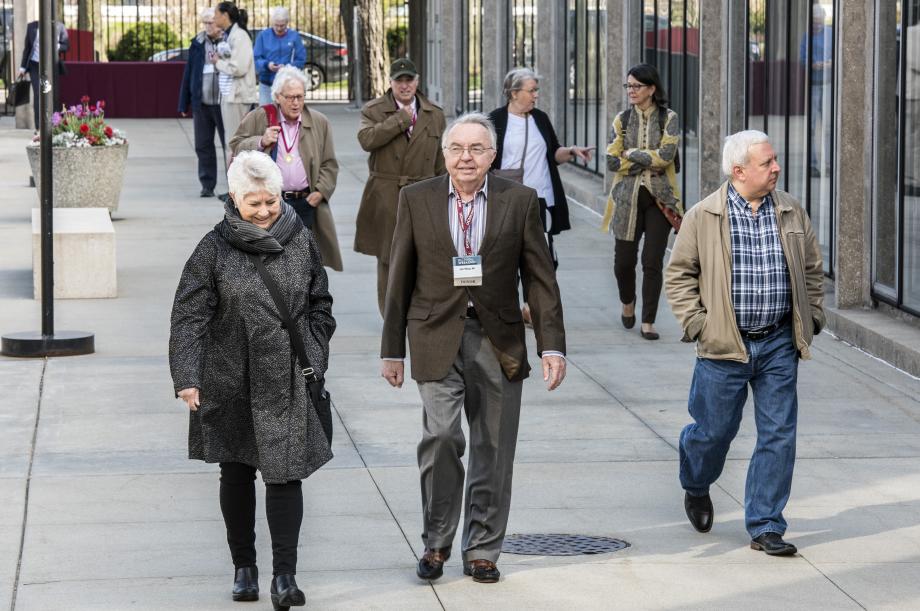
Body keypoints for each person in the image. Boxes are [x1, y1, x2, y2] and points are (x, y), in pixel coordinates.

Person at [380, 113, 567, 584]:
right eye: (457, 148)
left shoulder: (520, 200)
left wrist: (551, 346)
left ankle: (483, 547)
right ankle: (436, 541)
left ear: (493, 155)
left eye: (477, 149)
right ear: (444, 154)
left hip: (498, 339)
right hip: (434, 335)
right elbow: (398, 275)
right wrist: (392, 349)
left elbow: (540, 279)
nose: (466, 157)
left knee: (493, 447)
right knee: (441, 437)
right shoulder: (416, 198)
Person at [169, 150, 335, 607]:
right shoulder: (213, 247)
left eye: (271, 202)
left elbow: (320, 303)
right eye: (253, 204)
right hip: (228, 376)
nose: (264, 212)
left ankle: (285, 577)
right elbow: (189, 316)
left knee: (285, 476)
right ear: (235, 200)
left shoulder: (300, 239)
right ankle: (244, 567)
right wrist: (187, 376)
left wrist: (315, 353)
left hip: (285, 376)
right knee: (237, 472)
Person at [665, 130, 825, 556]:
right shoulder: (704, 216)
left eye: (774, 161)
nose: (776, 168)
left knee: (779, 434)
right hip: (722, 347)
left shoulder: (790, 210)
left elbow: (811, 269)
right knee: (713, 433)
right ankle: (697, 482)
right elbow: (678, 274)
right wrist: (700, 324)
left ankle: (766, 524)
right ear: (738, 171)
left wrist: (813, 316)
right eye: (767, 162)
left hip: (777, 344)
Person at [488, 67, 593, 323]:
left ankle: (531, 306)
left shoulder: (540, 118)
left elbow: (553, 152)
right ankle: (507, 307)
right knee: (506, 255)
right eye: (531, 90)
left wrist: (570, 152)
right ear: (514, 93)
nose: (536, 95)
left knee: (542, 257)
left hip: (541, 197)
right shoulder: (495, 120)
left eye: (536, 90)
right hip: (507, 198)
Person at [355, 58, 447, 315]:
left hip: (424, 192)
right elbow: (366, 139)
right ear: (391, 83)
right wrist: (399, 120)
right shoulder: (374, 110)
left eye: (409, 80)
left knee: (425, 256)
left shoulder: (434, 113)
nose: (405, 86)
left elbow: (441, 159)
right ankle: (391, 316)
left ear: (417, 82)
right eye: (400, 81)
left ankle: (420, 311)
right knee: (388, 259)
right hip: (386, 195)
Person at [230, 66, 343, 272]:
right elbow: (236, 145)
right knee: (270, 262)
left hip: (305, 203)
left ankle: (300, 304)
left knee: (303, 264)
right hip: (271, 204)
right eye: (290, 97)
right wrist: (261, 141)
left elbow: (329, 163)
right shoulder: (261, 117)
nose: (296, 102)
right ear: (277, 97)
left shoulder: (319, 122)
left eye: (300, 96)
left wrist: (320, 192)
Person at [603, 63, 682, 340]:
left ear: (652, 89)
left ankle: (648, 321)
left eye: (637, 86)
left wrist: (631, 153)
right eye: (629, 86)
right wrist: (646, 158)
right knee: (623, 263)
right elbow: (612, 161)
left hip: (661, 200)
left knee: (652, 261)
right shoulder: (621, 120)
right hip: (627, 199)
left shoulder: (668, 118)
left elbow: (667, 156)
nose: (631, 91)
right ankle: (628, 302)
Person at [178, 8, 226, 198]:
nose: (207, 26)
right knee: (203, 144)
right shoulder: (197, 43)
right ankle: (207, 184)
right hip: (202, 103)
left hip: (223, 102)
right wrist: (184, 102)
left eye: (211, 22)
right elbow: (189, 73)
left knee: (229, 145)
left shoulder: (228, 41)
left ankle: (234, 185)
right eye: (205, 23)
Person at [212, 1, 258, 159]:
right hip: (230, 95)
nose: (214, 18)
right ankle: (235, 179)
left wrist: (218, 62)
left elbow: (239, 68)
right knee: (232, 142)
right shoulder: (229, 35)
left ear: (225, 16)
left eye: (216, 15)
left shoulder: (240, 36)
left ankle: (238, 180)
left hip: (237, 97)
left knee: (235, 142)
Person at [799, 5, 833, 177]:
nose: (816, 25)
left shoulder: (831, 33)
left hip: (828, 84)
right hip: (813, 84)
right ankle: (812, 164)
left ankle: (828, 164)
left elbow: (837, 57)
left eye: (819, 21)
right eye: (814, 22)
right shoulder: (807, 36)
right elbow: (802, 59)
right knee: (811, 127)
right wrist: (813, 64)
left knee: (828, 127)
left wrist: (828, 64)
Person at [18, 19, 69, 131]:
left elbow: (66, 46)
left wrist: (57, 46)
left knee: (51, 94)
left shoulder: (59, 26)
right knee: (38, 94)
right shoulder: (31, 27)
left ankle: (54, 126)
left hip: (51, 65)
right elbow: (27, 49)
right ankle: (39, 128)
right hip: (35, 65)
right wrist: (22, 68)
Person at [254, 7, 307, 106]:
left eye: (282, 25)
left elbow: (301, 59)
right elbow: (256, 58)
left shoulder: (294, 36)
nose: (279, 28)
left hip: (287, 83)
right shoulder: (263, 35)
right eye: (276, 25)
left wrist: (287, 67)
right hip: (266, 82)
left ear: (287, 22)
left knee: (285, 115)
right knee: (266, 114)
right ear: (272, 22)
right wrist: (267, 65)